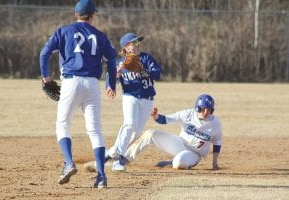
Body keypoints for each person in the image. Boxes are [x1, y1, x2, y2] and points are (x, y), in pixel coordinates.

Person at [39, 0, 117, 189]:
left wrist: (47, 78)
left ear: (76, 14)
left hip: (71, 82)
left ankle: (68, 163)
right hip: (92, 84)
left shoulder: (63, 31)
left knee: (63, 124)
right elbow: (112, 62)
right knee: (95, 130)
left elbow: (44, 54)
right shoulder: (99, 35)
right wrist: (111, 84)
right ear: (92, 16)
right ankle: (101, 177)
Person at [107, 32, 163, 172]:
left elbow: (158, 73)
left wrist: (145, 70)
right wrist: (113, 82)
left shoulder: (146, 58)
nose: (138, 45)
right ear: (126, 47)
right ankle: (118, 159)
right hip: (130, 96)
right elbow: (110, 77)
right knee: (129, 124)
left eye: (138, 42)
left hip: (147, 99)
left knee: (135, 133)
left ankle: (112, 151)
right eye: (134, 43)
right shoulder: (120, 62)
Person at [124, 94, 222, 170]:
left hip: (194, 154)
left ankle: (172, 162)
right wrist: (155, 116)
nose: (205, 112)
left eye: (209, 110)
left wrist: (214, 163)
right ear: (197, 107)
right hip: (180, 143)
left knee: (178, 164)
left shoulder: (215, 123)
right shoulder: (188, 114)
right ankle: (125, 158)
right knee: (151, 133)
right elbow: (165, 119)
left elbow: (217, 143)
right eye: (203, 109)